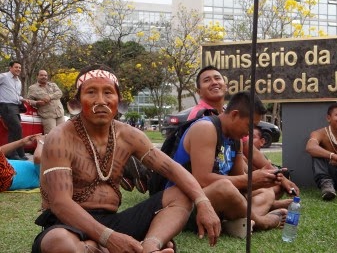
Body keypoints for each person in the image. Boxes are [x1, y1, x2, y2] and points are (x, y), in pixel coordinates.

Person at [32, 65, 220, 253]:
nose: (101, 101)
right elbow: (60, 203)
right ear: (77, 102)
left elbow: (173, 169)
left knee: (181, 193)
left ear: (119, 101)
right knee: (58, 242)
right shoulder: (60, 138)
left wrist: (203, 202)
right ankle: (104, 247)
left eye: (108, 92)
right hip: (67, 225)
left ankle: (149, 247)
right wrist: (108, 238)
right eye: (91, 92)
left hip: (112, 222)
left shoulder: (129, 135)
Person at [168, 91, 287, 233]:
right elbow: (202, 180)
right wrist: (250, 179)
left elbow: (239, 185)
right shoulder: (206, 128)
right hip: (186, 201)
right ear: (235, 114)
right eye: (249, 125)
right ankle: (261, 222)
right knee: (225, 187)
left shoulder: (235, 139)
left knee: (267, 192)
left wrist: (263, 180)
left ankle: (235, 222)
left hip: (218, 200)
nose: (249, 133)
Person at [188, 65, 300, 199]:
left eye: (217, 78)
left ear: (226, 85)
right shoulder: (200, 119)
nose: (214, 82)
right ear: (199, 91)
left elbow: (248, 148)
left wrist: (277, 177)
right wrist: (251, 179)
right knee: (255, 187)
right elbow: (202, 178)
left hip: (227, 179)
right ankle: (257, 212)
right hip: (208, 187)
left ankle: (259, 206)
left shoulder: (229, 114)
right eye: (207, 80)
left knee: (273, 187)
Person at [0, 61, 28, 160]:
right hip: (6, 106)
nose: (18, 69)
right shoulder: (3, 76)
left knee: (18, 130)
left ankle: (20, 154)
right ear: (10, 67)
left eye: (20, 68)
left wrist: (25, 100)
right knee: (16, 128)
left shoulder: (18, 81)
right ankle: (11, 154)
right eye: (16, 67)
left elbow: (16, 96)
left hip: (15, 107)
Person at [27, 70, 65, 134]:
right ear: (37, 76)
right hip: (47, 116)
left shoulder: (52, 85)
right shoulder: (32, 88)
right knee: (51, 136)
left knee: (62, 134)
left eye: (45, 75)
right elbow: (28, 100)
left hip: (59, 113)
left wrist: (50, 97)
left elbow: (59, 93)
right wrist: (37, 103)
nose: (44, 77)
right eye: (41, 75)